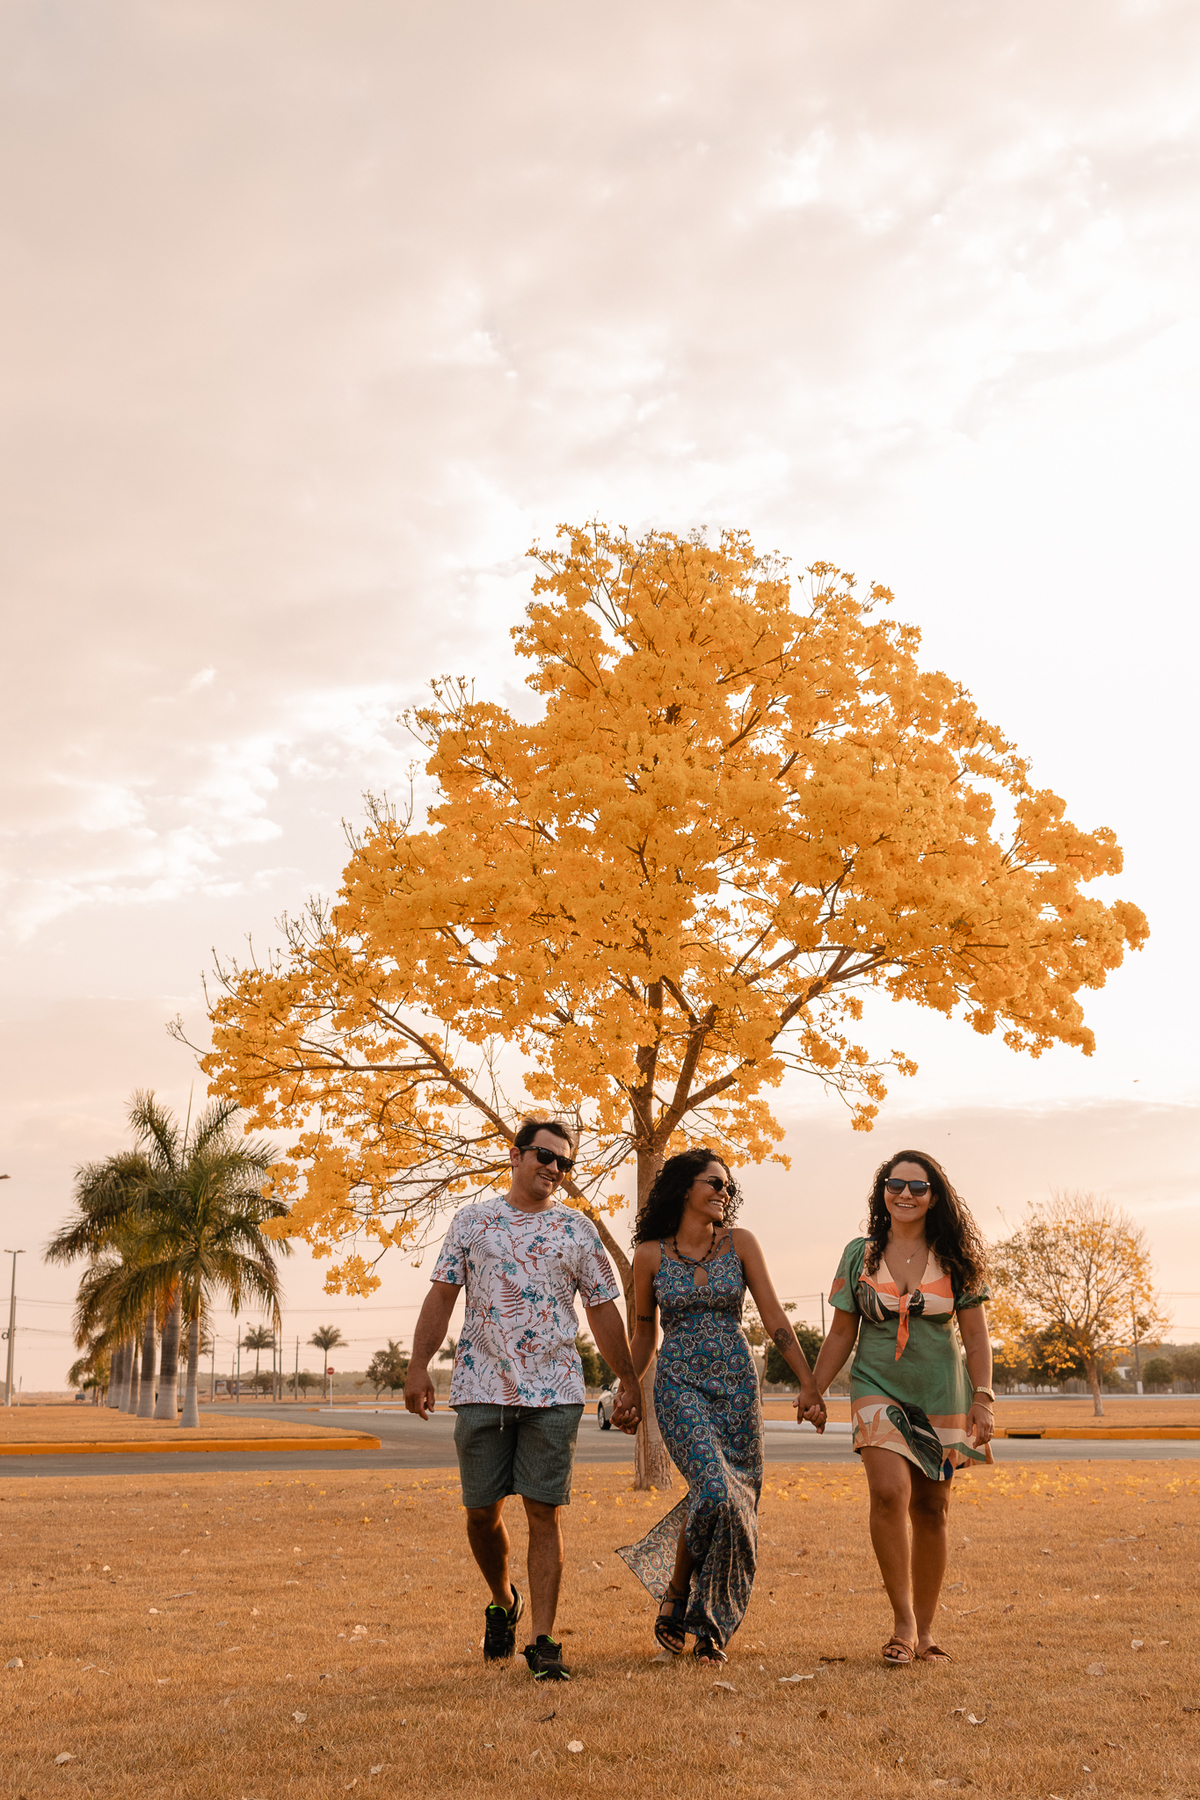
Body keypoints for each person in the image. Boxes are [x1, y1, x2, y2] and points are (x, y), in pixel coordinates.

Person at [404, 1117, 642, 1682]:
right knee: (482, 1513)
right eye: (544, 1156)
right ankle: (503, 1601)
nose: (553, 1169)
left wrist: (629, 1380)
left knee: (544, 1512)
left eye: (563, 1162)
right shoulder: (473, 1221)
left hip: (556, 1391)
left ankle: (543, 1641)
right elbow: (441, 1296)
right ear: (514, 1156)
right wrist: (417, 1367)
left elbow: (603, 1309)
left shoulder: (577, 1230)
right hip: (481, 1388)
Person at [618, 1147, 826, 1663]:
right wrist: (627, 1389)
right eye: (713, 1183)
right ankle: (676, 1594)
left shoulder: (741, 1243)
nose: (722, 1193)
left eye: (728, 1187)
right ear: (684, 1187)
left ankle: (709, 1630)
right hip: (678, 1384)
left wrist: (809, 1385)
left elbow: (775, 1316)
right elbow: (643, 1336)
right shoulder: (649, 1255)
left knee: (737, 1502)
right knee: (714, 1489)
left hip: (736, 1385)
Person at [812, 1150, 994, 1665]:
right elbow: (842, 1331)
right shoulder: (860, 1254)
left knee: (932, 1510)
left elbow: (977, 1340)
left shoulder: (957, 1260)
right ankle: (903, 1623)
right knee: (889, 1493)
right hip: (876, 1386)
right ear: (882, 1192)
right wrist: (815, 1389)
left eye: (918, 1187)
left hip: (942, 1394)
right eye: (896, 1185)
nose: (906, 1195)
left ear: (935, 1196)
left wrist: (983, 1397)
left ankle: (928, 1631)